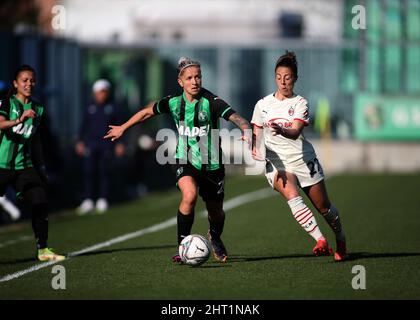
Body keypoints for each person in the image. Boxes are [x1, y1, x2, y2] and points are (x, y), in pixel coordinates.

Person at [104, 57, 251, 263]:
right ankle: (183, 247)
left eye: (198, 76)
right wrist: (123, 127)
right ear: (180, 82)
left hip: (212, 164)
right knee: (189, 195)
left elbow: (236, 117)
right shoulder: (173, 102)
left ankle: (215, 236)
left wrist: (246, 129)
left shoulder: (212, 101)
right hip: (185, 159)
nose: (195, 81)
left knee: (216, 212)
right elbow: (147, 112)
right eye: (189, 78)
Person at [251, 51, 347, 262]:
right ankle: (320, 240)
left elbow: (294, 132)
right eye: (278, 77)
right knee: (292, 196)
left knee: (324, 208)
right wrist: (254, 146)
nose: (283, 82)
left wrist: (281, 130)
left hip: (303, 160)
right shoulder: (263, 105)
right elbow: (256, 131)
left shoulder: (301, 103)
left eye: (287, 77)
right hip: (277, 163)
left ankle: (340, 237)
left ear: (295, 78)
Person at [0, 64, 65, 261]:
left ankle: (43, 249)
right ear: (16, 83)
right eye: (25, 80)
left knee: (40, 199)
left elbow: (35, 140)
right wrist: (19, 119)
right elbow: (1, 124)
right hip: (2, 165)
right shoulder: (6, 104)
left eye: (32, 80)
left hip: (24, 167)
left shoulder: (38, 109)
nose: (29, 84)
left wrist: (41, 167)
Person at [75, 79, 125, 214]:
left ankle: (103, 199)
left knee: (104, 171)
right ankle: (88, 199)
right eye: (98, 92)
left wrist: (120, 143)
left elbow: (120, 126)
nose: (101, 95)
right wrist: (79, 141)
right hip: (91, 143)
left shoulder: (113, 107)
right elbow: (83, 126)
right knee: (89, 171)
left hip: (107, 144)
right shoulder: (89, 107)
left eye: (103, 92)